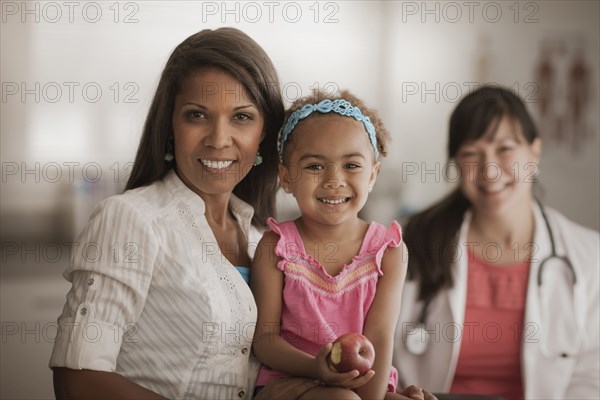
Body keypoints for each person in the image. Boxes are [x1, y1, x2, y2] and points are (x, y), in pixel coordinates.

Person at [49, 27, 288, 399]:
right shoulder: (131, 219)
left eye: (241, 117)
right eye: (197, 115)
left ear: (264, 132)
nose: (219, 138)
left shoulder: (263, 238)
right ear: (171, 127)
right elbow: (76, 379)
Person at [393, 85, 599, 400]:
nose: (489, 170)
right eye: (471, 154)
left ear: (535, 152)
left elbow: (591, 374)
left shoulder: (589, 256)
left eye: (504, 148)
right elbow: (379, 354)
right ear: (456, 165)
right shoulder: (407, 242)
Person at [251, 90, 436, 400]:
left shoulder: (388, 251)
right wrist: (317, 370)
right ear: (285, 177)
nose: (334, 180)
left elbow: (378, 337)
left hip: (361, 383)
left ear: (373, 175)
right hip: (291, 382)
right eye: (314, 166)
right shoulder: (276, 247)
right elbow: (266, 340)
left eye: (351, 165)